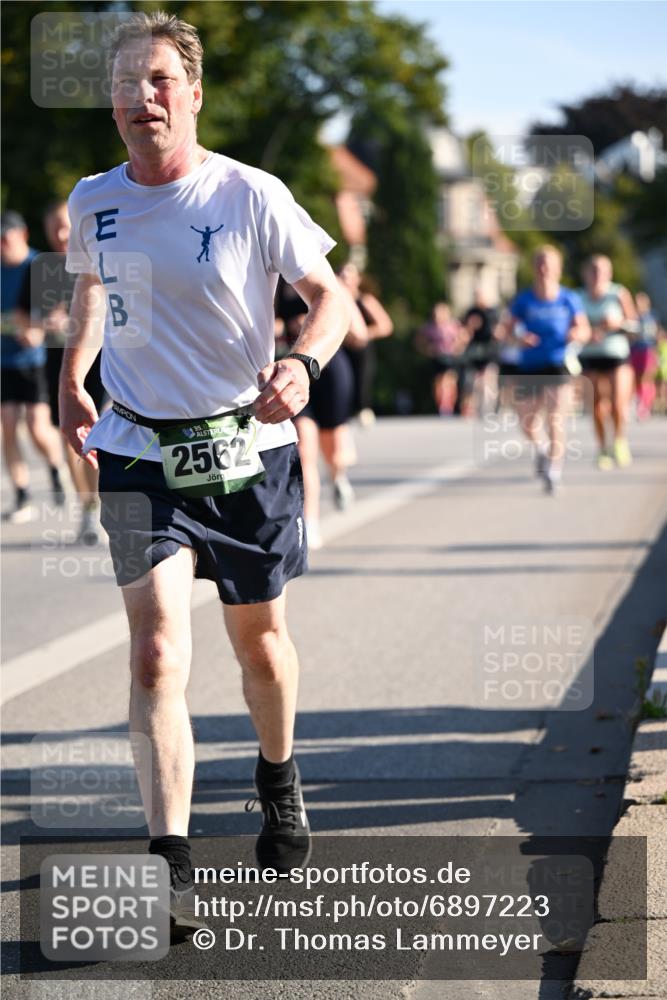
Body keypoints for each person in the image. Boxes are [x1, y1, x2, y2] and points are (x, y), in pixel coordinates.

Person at [58, 11, 349, 938]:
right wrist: (75, 370)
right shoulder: (91, 198)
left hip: (246, 449)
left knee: (259, 646)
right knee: (154, 650)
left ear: (191, 94)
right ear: (110, 102)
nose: (142, 98)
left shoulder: (249, 194)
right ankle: (168, 861)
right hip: (141, 450)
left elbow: (329, 298)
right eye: (126, 83)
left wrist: (301, 366)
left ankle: (277, 774)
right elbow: (97, 285)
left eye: (158, 81)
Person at [17, 200, 107, 543]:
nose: (60, 233)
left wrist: (77, 322)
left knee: (99, 438)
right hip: (58, 366)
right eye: (54, 226)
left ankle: (100, 505)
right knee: (71, 440)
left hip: (101, 364)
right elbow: (25, 315)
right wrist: (39, 326)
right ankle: (87, 510)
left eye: (65, 225)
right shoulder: (42, 267)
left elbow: (122, 312)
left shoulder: (101, 259)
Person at [276, 275, 368, 549]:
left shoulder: (329, 281)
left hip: (329, 369)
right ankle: (310, 522)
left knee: (335, 453)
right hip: (293, 369)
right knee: (304, 450)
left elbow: (360, 334)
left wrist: (324, 326)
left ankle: (338, 476)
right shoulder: (276, 283)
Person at [497, 245, 590, 495]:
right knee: (527, 422)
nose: (543, 268)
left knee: (555, 417)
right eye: (539, 263)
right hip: (529, 365)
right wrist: (519, 338)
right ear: (533, 268)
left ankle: (553, 471)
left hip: (558, 363)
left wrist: (575, 334)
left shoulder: (568, 298)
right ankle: (540, 448)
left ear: (558, 269)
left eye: (548, 263)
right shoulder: (524, 300)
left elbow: (584, 329)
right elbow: (505, 330)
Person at [1, 210, 66, 522]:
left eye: (6, 239)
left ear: (22, 235)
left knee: (37, 427)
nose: (2, 246)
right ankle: (22, 495)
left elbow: (60, 309)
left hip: (36, 360)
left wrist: (38, 328)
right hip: (4, 360)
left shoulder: (40, 265)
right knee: (8, 426)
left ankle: (56, 469)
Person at [577, 255, 637, 468]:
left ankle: (619, 440)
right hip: (590, 356)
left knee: (618, 404)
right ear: (585, 273)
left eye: (601, 270)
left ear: (609, 273)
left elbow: (635, 327)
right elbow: (573, 326)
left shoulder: (618, 294)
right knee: (596, 407)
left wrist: (619, 323)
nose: (597, 274)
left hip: (616, 355)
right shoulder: (579, 297)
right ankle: (603, 448)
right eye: (593, 270)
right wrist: (585, 333)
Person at [339, 262, 393, 426]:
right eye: (342, 275)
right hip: (341, 349)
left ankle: (363, 410)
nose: (345, 279)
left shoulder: (365, 300)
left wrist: (362, 334)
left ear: (358, 279)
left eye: (349, 275)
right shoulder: (336, 300)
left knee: (362, 381)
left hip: (361, 349)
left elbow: (385, 325)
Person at [415, 302, 466, 416]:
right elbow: (419, 341)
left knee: (450, 381)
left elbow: (463, 338)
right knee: (439, 383)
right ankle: (443, 406)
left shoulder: (453, 325)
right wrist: (427, 350)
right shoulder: (429, 327)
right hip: (437, 358)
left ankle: (450, 404)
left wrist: (457, 348)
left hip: (450, 358)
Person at [460, 291, 500, 417]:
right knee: (472, 380)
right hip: (474, 348)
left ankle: (491, 406)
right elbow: (466, 329)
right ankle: (472, 407)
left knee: (488, 377)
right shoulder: (471, 311)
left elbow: (498, 330)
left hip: (489, 348)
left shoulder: (492, 311)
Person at [629, 291, 659, 420]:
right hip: (635, 350)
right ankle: (639, 403)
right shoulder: (633, 317)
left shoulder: (651, 317)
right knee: (635, 378)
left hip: (647, 350)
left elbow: (654, 335)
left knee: (645, 378)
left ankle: (645, 405)